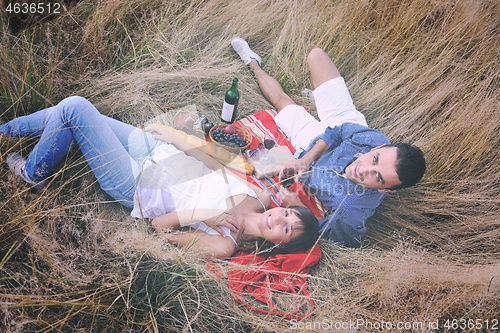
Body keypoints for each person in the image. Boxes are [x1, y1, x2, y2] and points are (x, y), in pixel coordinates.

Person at [0, 96, 319, 259]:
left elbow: (160, 229)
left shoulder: (225, 245)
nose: (279, 219)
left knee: (74, 109)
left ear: (278, 244)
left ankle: (31, 173)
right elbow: (215, 165)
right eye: (286, 215)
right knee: (70, 112)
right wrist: (176, 139)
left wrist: (212, 214)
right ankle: (5, 134)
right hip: (155, 150)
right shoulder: (260, 198)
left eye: (286, 230)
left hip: (137, 181)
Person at [231, 37, 426, 248]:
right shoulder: (373, 139)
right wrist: (305, 160)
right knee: (316, 56)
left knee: (281, 100)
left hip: (306, 140)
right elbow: (338, 130)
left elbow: (339, 240)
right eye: (375, 159)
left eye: (377, 177)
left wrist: (297, 205)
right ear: (378, 148)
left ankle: (252, 61)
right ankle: (318, 99)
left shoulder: (351, 208)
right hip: (342, 123)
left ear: (386, 190)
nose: (364, 168)